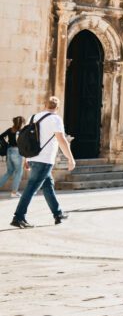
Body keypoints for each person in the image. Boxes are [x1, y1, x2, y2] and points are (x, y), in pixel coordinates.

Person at [10, 96, 75, 228]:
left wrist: (27, 159)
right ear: (57, 107)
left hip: (33, 158)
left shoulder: (33, 117)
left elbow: (27, 141)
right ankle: (18, 217)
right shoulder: (55, 119)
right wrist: (70, 158)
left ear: (44, 105)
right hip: (45, 160)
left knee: (48, 185)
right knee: (31, 188)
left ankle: (58, 214)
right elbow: (61, 140)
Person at [0, 116, 25, 197]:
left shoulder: (10, 130)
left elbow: (0, 137)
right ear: (22, 123)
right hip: (17, 152)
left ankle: (14, 192)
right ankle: (14, 192)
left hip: (9, 151)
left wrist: (5, 144)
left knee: (9, 172)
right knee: (18, 172)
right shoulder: (22, 131)